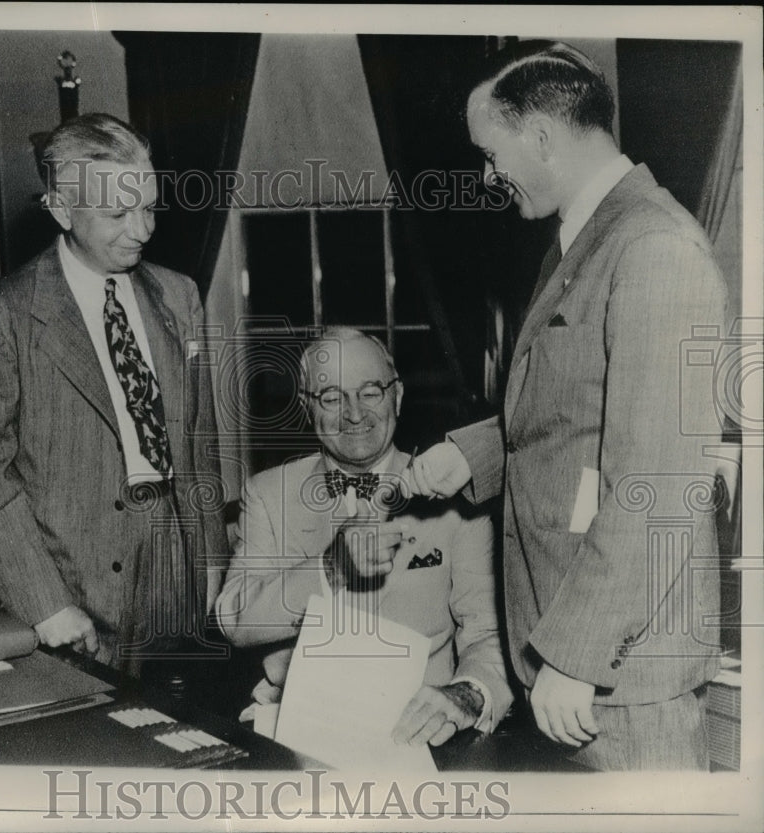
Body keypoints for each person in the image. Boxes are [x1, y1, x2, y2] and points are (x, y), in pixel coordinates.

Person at [408, 42, 727, 769]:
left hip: (619, 672)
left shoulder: (653, 245)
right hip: (575, 661)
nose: (490, 177)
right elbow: (586, 401)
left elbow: (660, 481)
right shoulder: (585, 238)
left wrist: (578, 657)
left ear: (542, 137)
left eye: (492, 154)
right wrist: (474, 451)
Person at [0, 113, 229, 679]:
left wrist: (212, 558)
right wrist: (46, 603)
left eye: (149, 205)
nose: (142, 229)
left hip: (179, 582)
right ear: (60, 210)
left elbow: (200, 440)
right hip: (71, 591)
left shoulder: (180, 296)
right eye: (117, 214)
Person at [216, 328, 513, 747]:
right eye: (332, 398)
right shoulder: (270, 494)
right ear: (306, 407)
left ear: (398, 395)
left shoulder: (455, 494)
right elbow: (235, 619)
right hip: (298, 728)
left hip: (420, 733)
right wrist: (330, 568)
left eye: (371, 392)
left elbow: (487, 634)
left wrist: (466, 693)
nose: (355, 414)